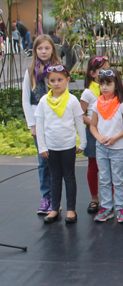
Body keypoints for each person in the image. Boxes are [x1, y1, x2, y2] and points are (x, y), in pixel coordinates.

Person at [34, 65, 86, 224]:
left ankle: (71, 209)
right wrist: (42, 147)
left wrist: (82, 143)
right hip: (51, 147)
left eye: (60, 80)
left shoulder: (72, 100)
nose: (56, 83)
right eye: (53, 81)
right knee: (54, 178)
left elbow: (79, 122)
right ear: (48, 82)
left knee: (69, 177)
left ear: (67, 80)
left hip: (68, 146)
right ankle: (54, 208)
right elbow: (40, 124)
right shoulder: (44, 101)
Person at [22, 34, 62, 215]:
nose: (43, 51)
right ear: (35, 51)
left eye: (47, 48)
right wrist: (33, 125)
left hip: (55, 123)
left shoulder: (59, 72)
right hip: (39, 124)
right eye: (40, 48)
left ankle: (56, 199)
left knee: (56, 162)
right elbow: (25, 100)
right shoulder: (30, 73)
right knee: (43, 162)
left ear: (52, 49)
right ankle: (46, 197)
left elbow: (64, 99)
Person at [90, 69, 123, 223]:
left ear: (116, 85)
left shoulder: (122, 104)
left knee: (118, 178)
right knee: (103, 178)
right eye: (102, 84)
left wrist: (116, 138)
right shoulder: (97, 103)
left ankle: (121, 207)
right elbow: (93, 126)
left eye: (108, 84)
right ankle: (106, 207)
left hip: (117, 148)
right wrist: (98, 137)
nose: (104, 87)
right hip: (101, 147)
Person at [80, 56, 110, 214]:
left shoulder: (112, 89)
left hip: (110, 132)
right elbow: (79, 113)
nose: (105, 73)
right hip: (94, 133)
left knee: (110, 166)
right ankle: (94, 198)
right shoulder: (88, 92)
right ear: (92, 73)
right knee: (93, 166)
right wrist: (93, 124)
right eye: (101, 70)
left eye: (107, 69)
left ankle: (109, 198)